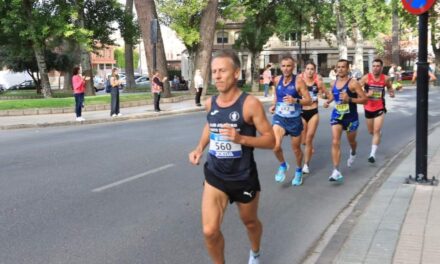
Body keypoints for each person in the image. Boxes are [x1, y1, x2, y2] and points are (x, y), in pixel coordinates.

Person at [188, 50, 275, 264]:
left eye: (222, 71)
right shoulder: (210, 103)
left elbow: (271, 140)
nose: (216, 76)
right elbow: (211, 124)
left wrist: (241, 139)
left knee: (250, 222)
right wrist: (200, 147)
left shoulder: (250, 104)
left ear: (236, 73)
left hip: (243, 176)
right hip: (216, 174)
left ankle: (255, 252)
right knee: (209, 231)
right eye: (214, 71)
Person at [269, 55, 312, 186]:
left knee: (296, 149)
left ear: (293, 67)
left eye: (289, 66)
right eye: (283, 66)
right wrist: (274, 105)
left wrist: (295, 100)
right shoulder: (277, 80)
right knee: (275, 146)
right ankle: (283, 165)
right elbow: (277, 95)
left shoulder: (299, 82)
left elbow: (309, 100)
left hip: (294, 120)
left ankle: (298, 171)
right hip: (280, 118)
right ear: (280, 67)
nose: (286, 69)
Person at [323, 59, 367, 182]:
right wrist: (328, 101)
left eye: (343, 67)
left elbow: (364, 100)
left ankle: (353, 151)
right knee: (335, 141)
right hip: (337, 116)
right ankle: (336, 170)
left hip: (351, 118)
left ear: (348, 69)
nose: (340, 69)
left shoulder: (353, 83)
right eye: (338, 67)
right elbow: (334, 95)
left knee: (351, 141)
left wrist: (350, 100)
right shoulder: (333, 83)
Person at [359, 59, 395, 164]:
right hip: (368, 107)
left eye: (378, 66)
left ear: (381, 67)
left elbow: (389, 88)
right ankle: (378, 133)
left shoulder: (385, 78)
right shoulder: (366, 77)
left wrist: (391, 93)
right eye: (374, 66)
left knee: (376, 130)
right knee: (371, 131)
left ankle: (372, 155)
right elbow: (356, 88)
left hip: (379, 107)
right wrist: (366, 95)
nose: (375, 68)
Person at [300, 60, 331, 174]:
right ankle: (308, 147)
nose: (309, 71)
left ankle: (306, 165)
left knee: (309, 139)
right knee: (303, 141)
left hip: (313, 112)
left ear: (315, 71)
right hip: (301, 113)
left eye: (312, 69)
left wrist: (327, 101)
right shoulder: (300, 82)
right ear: (304, 70)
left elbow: (329, 95)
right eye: (307, 69)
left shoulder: (318, 83)